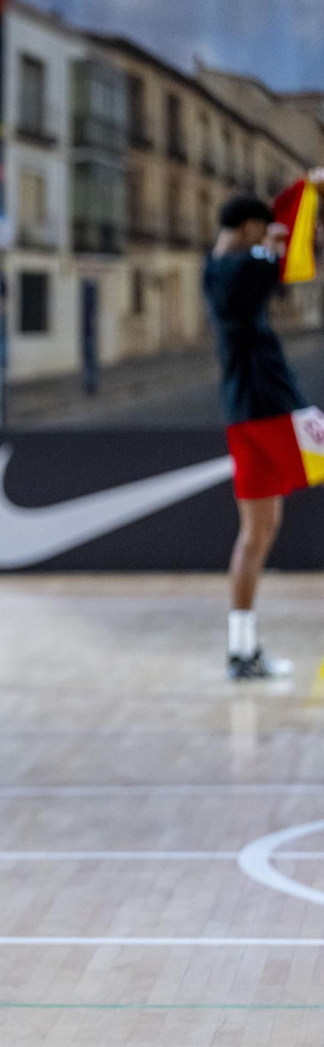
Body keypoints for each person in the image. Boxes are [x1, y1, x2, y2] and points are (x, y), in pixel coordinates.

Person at [205, 179, 324, 681]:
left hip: (243, 420)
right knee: (257, 534)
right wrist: (310, 192)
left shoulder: (212, 270)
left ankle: (241, 650)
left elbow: (277, 253)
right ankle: (242, 650)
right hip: (278, 413)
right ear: (251, 228)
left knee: (257, 534)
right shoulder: (250, 266)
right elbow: (298, 256)